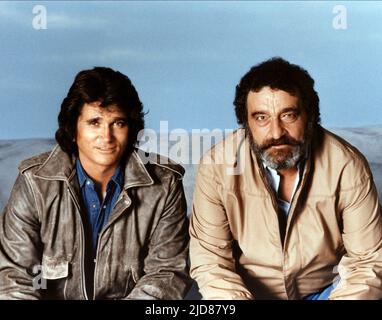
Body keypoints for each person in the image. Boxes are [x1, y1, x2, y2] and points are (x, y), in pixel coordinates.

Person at [190, 57, 382, 300]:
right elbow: (211, 261)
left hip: (327, 291)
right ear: (246, 123)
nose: (276, 132)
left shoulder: (348, 165)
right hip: (248, 294)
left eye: (288, 115)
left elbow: (368, 262)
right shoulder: (217, 167)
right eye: (261, 118)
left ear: (310, 117)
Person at [0, 67, 191, 299]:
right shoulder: (35, 182)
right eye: (94, 122)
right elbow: (14, 277)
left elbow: (166, 274)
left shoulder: (164, 185)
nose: (106, 136)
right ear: (73, 128)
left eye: (118, 123)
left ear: (131, 129)